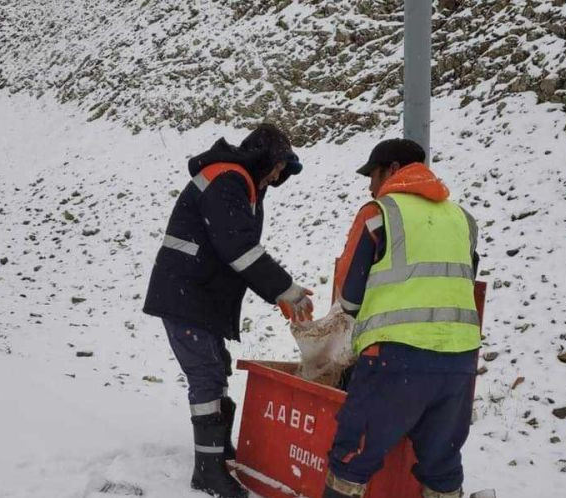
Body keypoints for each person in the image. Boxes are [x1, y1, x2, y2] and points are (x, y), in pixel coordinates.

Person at [143, 124, 314, 498]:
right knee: (206, 374)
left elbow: (237, 248)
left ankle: (217, 453)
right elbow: (239, 249)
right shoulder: (228, 179)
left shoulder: (242, 183)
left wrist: (280, 292)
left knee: (216, 367)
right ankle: (207, 471)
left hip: (197, 294)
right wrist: (286, 290)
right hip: (185, 293)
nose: (278, 175)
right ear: (265, 158)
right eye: (278, 166)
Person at [324, 139, 481, 498]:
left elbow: (348, 299)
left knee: (352, 458)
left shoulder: (378, 213)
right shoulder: (463, 219)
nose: (370, 185)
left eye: (373, 174)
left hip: (394, 361)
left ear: (393, 169)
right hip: (460, 362)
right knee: (441, 464)